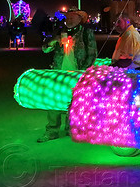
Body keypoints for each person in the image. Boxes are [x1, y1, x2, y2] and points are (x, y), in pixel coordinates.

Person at [37, 8, 97, 142]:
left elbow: (92, 54)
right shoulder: (59, 31)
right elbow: (45, 49)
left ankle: (71, 129)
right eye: (67, 17)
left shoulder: (86, 33)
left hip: (77, 73)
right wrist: (54, 41)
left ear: (79, 19)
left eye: (72, 17)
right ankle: (52, 130)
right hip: (59, 72)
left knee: (74, 102)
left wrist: (84, 72)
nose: (69, 20)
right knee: (54, 100)